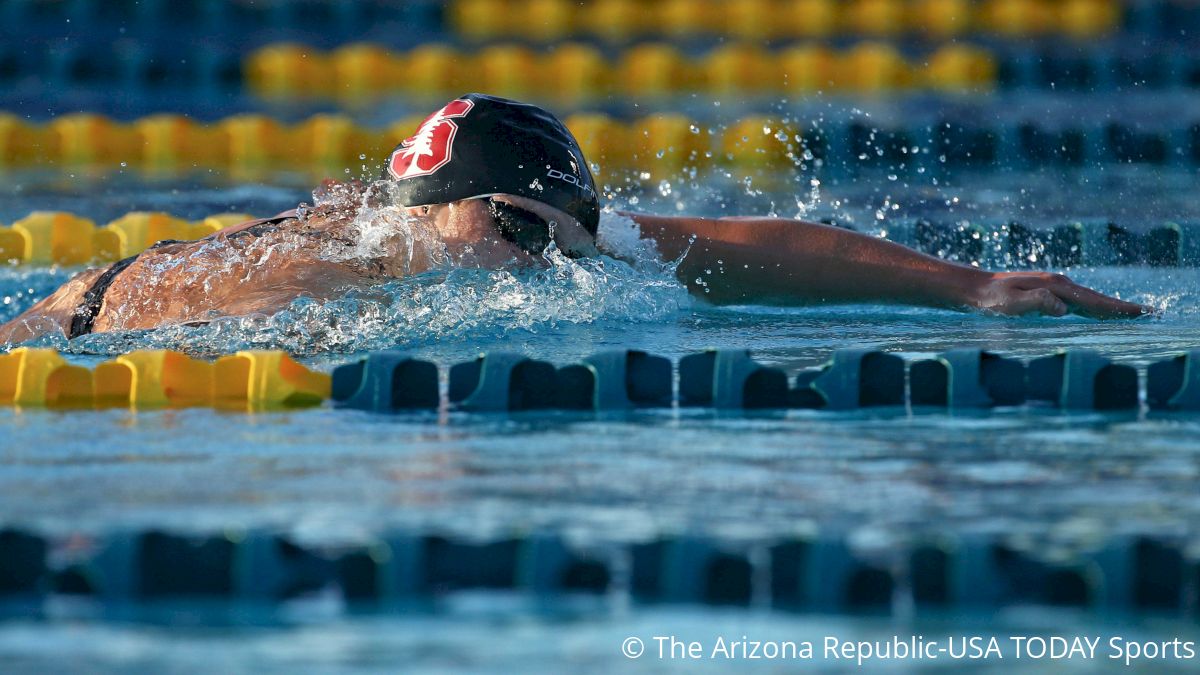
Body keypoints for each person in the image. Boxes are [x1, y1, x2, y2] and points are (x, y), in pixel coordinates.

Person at [0, 93, 1151, 345]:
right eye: (530, 232)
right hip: (76, 324)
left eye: (565, 236)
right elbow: (104, 347)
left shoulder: (496, 233)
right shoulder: (314, 281)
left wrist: (972, 288)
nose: (551, 261)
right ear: (462, 206)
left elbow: (754, 250)